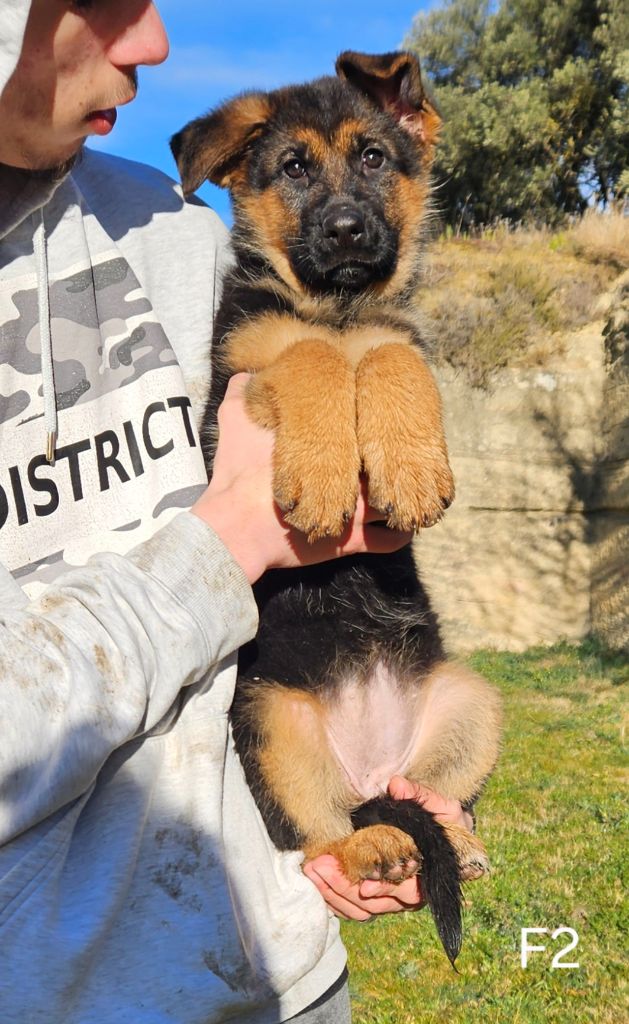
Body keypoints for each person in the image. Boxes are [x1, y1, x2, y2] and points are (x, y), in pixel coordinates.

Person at [0, 2, 473, 1021]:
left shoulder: (169, 229)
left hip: (275, 965)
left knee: (470, 701)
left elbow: (307, 358)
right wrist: (217, 548)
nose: (155, 44)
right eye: (102, 2)